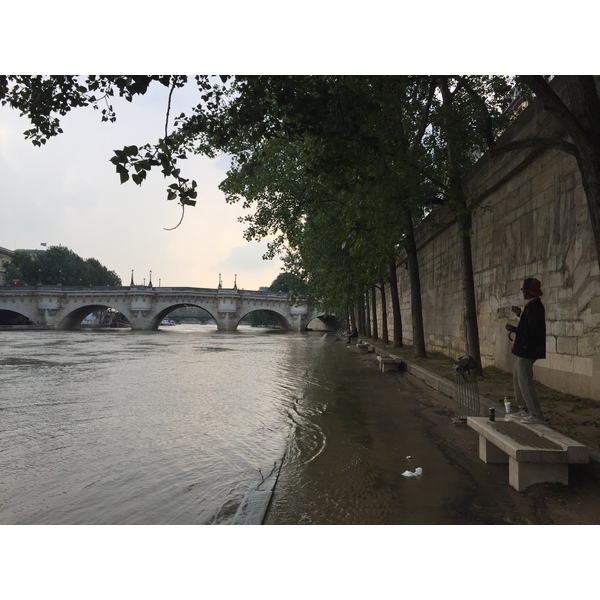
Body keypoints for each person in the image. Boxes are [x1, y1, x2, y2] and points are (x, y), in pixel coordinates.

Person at [505, 277, 546, 423]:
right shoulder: (531, 306)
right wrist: (520, 315)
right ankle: (523, 409)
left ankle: (535, 414)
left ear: (528, 291)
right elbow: (529, 323)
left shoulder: (535, 307)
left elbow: (532, 330)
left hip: (527, 349)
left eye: (523, 289)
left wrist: (514, 329)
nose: (522, 292)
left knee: (525, 381)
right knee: (518, 379)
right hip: (522, 349)